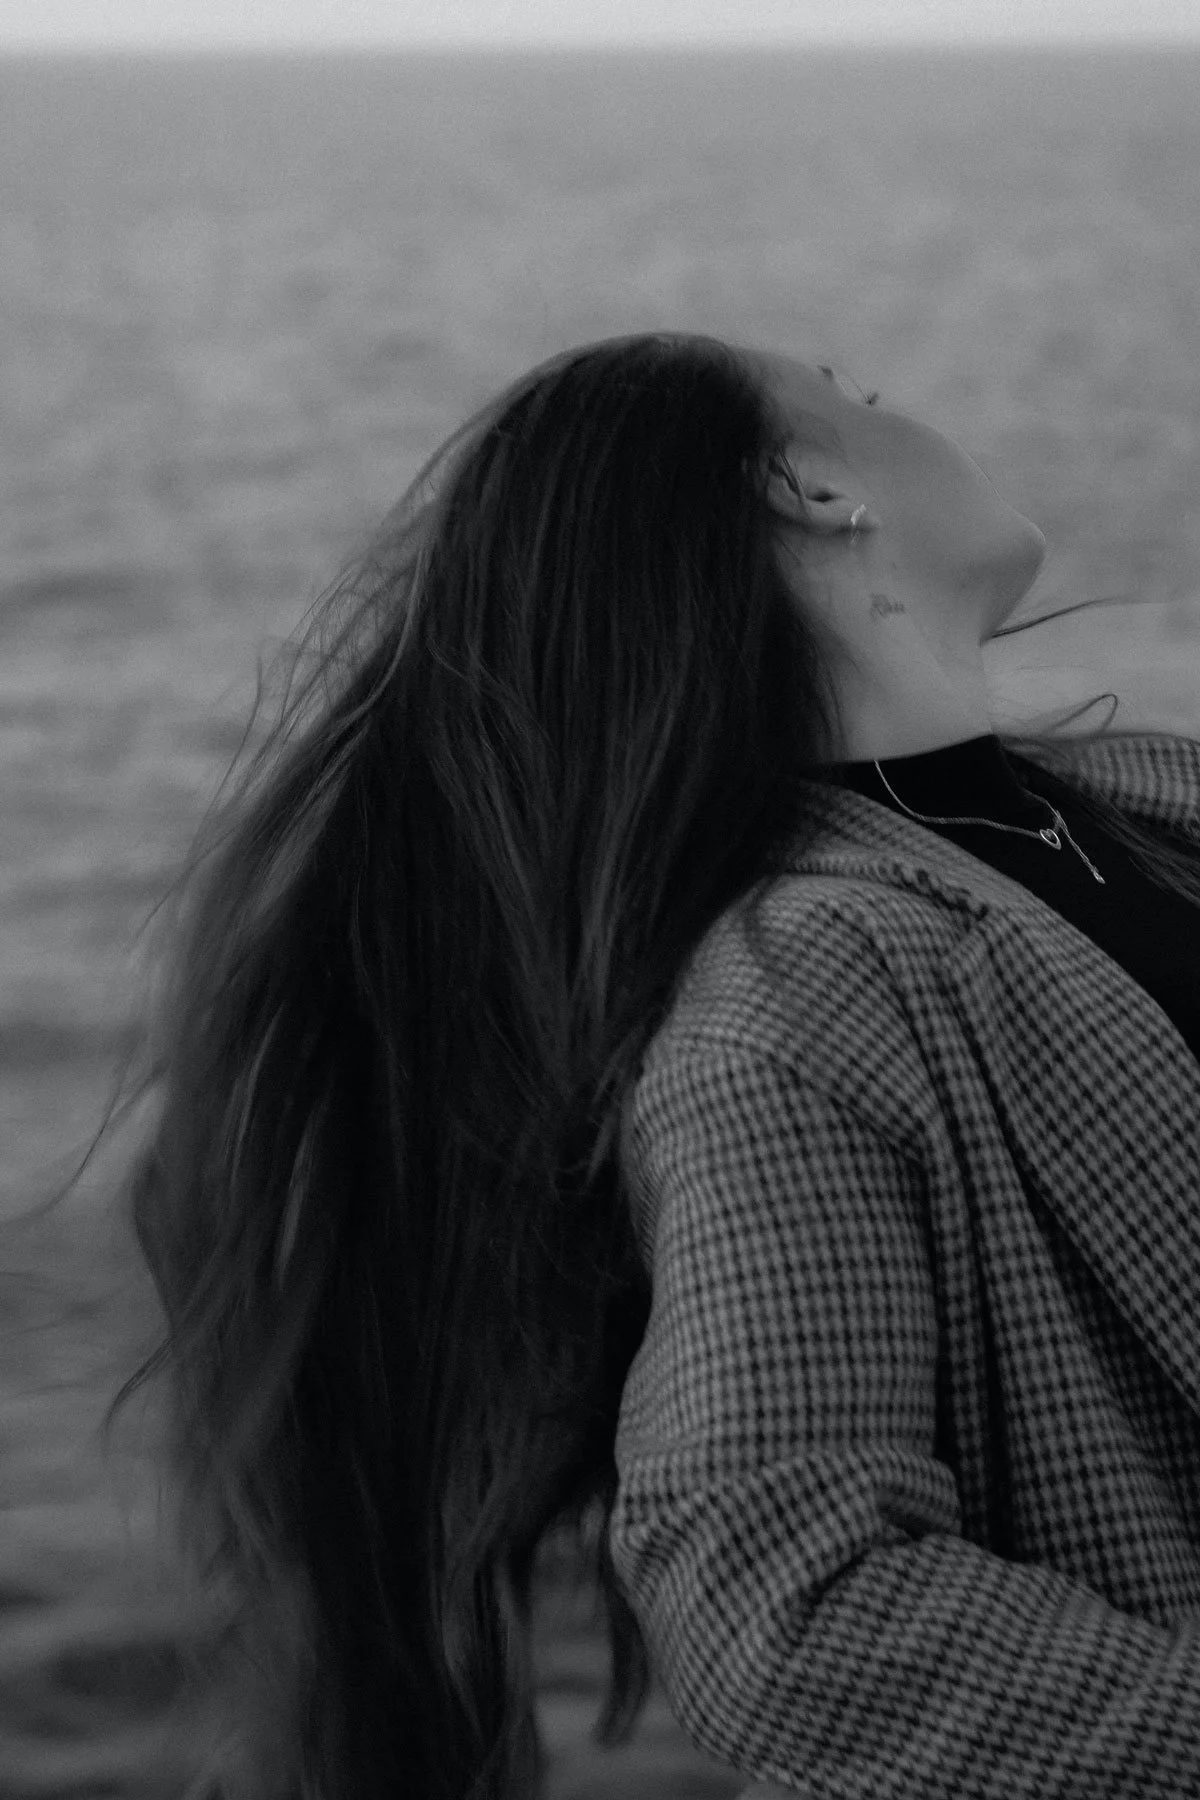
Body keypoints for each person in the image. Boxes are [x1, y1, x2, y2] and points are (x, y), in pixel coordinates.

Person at [29, 331, 1200, 1798]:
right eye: (865, 397)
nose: (907, 405)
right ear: (808, 483)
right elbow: (789, 1601)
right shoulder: (794, 993)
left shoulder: (1138, 800)